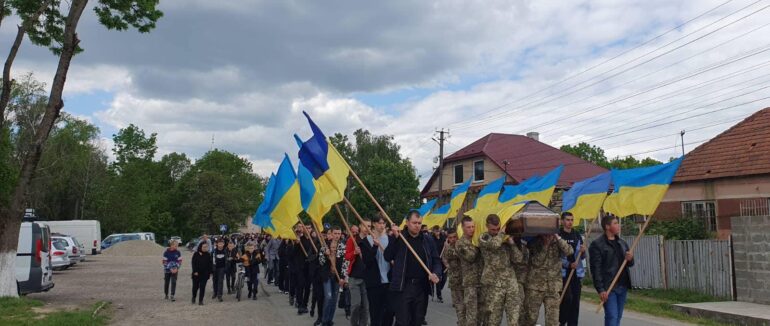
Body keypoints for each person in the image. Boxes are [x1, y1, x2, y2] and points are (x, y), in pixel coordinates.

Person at [385, 210, 442, 326]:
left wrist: (436, 273)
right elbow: (387, 256)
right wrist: (395, 239)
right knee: (403, 321)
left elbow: (436, 260)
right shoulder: (400, 238)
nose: (417, 226)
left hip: (422, 286)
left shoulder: (427, 240)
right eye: (414, 223)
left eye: (419, 223)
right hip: (403, 286)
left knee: (418, 320)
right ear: (407, 222)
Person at [478, 214, 523, 326]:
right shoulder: (484, 237)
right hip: (494, 284)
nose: (496, 231)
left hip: (510, 282)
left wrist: (512, 244)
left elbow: (518, 259)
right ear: (487, 226)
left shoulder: (505, 239)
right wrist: (502, 233)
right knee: (493, 320)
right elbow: (494, 245)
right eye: (493, 229)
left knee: (514, 319)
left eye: (498, 229)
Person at [590, 215, 634, 326]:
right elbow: (596, 269)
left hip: (622, 285)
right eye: (615, 223)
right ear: (607, 226)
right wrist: (600, 289)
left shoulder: (622, 243)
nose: (618, 225)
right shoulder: (597, 245)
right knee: (612, 316)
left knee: (618, 317)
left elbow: (630, 264)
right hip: (609, 287)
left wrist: (630, 258)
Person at [525, 233, 573, 325]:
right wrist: (545, 246)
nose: (548, 236)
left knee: (553, 321)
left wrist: (558, 238)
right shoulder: (535, 242)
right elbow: (537, 261)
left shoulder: (558, 242)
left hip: (553, 287)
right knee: (530, 318)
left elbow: (569, 251)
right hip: (535, 287)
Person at [559, 212, 586, 326]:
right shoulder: (558, 236)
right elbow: (555, 256)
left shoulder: (577, 235)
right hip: (563, 274)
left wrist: (583, 252)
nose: (570, 222)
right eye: (567, 220)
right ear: (562, 221)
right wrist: (567, 264)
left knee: (575, 302)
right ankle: (562, 321)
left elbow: (582, 257)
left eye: (571, 220)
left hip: (576, 274)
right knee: (566, 299)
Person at [347, 219, 373, 326]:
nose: (367, 228)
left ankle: (363, 324)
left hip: (366, 277)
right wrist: (354, 252)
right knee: (356, 305)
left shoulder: (371, 240)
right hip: (354, 277)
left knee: (366, 306)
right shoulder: (352, 240)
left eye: (370, 226)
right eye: (365, 226)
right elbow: (347, 256)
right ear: (360, 226)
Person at [366, 214, 391, 326]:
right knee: (375, 312)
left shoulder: (391, 239)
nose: (382, 225)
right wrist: (375, 247)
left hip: (389, 281)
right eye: (379, 223)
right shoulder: (366, 240)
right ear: (374, 224)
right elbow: (367, 262)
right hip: (374, 282)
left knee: (389, 312)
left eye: (384, 223)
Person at [320, 226, 347, 326]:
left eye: (339, 234)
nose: (337, 235)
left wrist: (343, 278)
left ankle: (329, 320)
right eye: (335, 233)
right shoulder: (325, 245)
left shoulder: (343, 246)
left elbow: (345, 263)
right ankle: (324, 320)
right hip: (327, 275)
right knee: (328, 297)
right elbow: (321, 262)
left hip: (337, 277)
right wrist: (325, 254)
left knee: (334, 299)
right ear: (331, 233)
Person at [441, 228, 463, 326]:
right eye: (450, 238)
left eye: (455, 237)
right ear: (448, 238)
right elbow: (444, 258)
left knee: (467, 305)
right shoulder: (447, 247)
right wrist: (447, 265)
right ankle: (461, 322)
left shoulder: (461, 246)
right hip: (454, 279)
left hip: (465, 278)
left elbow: (458, 255)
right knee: (458, 305)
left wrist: (448, 248)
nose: (453, 239)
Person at [430, 226, 447, 303]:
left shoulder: (443, 238)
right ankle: (438, 295)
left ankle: (439, 289)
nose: (438, 232)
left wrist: (446, 244)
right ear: (433, 231)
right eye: (436, 231)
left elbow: (447, 246)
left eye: (438, 231)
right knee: (438, 278)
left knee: (444, 278)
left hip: (443, 260)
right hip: (435, 260)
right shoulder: (431, 239)